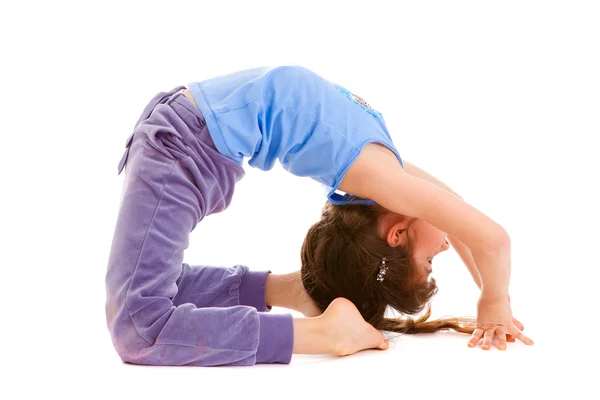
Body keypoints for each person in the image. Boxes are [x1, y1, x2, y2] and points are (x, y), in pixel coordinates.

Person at [105, 66, 534, 367]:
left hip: (186, 141)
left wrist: (494, 296)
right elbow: (489, 236)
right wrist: (494, 301)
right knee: (140, 327)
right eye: (432, 260)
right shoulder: (386, 179)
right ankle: (322, 334)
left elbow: (463, 221)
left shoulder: (383, 173)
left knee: (152, 296)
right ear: (398, 233)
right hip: (184, 144)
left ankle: (291, 292)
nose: (445, 244)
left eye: (432, 259)